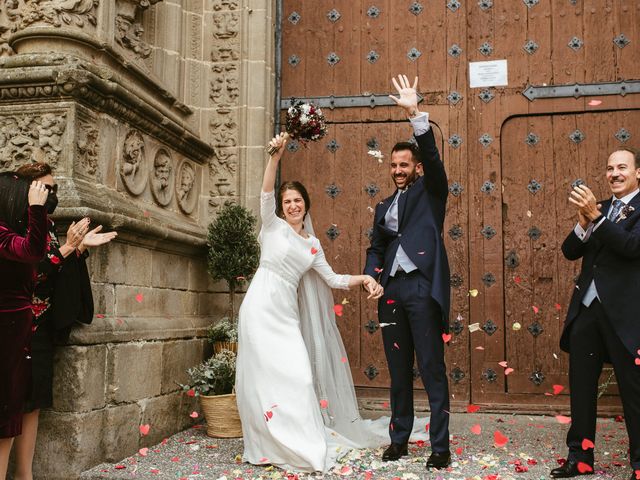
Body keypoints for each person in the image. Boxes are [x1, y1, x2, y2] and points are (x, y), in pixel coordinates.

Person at [235, 132, 387, 473]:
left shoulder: (313, 245)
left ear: (306, 204)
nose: (291, 205)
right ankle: (263, 445)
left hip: (286, 315)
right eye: (286, 201)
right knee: (260, 379)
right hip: (259, 309)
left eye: (297, 200)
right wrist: (275, 157)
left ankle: (300, 443)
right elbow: (264, 192)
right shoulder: (271, 226)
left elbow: (332, 279)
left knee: (300, 377)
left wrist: (363, 279)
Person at [364, 75, 451, 470]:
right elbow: (377, 246)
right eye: (394, 165)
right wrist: (371, 276)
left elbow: (434, 160)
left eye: (405, 165)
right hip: (392, 293)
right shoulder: (383, 206)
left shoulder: (431, 193)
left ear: (416, 168)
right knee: (399, 371)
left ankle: (439, 446)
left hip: (421, 288)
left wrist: (414, 113)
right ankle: (399, 439)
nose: (399, 170)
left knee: (432, 369)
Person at [11, 162, 117, 480]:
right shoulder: (14, 225)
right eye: (46, 188)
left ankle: (25, 474)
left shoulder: (46, 227)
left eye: (54, 188)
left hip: (40, 331)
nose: (52, 194)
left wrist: (78, 249)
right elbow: (32, 272)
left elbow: (54, 272)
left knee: (33, 404)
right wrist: (70, 247)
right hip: (14, 328)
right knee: (10, 405)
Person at [551, 147, 640, 480]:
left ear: (637, 173)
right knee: (583, 389)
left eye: (621, 167)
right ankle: (581, 458)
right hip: (587, 311)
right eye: (609, 168)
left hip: (626, 314)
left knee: (634, 393)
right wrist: (582, 223)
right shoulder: (597, 207)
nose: (614, 173)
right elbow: (570, 251)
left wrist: (598, 219)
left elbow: (631, 247)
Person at [0, 174, 49, 480]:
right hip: (5, 334)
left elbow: (38, 260)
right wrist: (36, 210)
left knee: (9, 417)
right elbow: (33, 251)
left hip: (15, 336)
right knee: (3, 419)